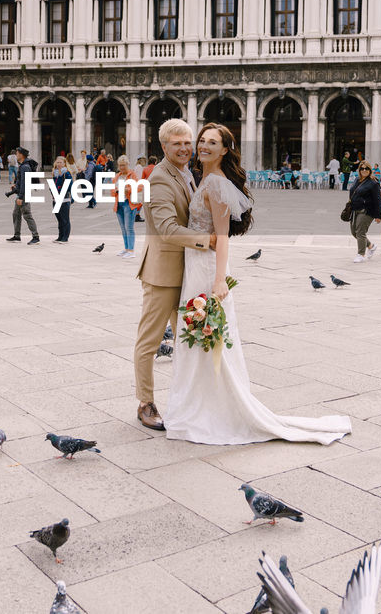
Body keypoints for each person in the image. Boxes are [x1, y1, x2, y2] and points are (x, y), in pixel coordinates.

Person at [162, 122, 351, 446]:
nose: (203, 146)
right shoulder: (205, 179)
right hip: (195, 267)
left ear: (224, 150)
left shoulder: (217, 185)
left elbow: (222, 238)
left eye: (212, 142)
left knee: (206, 338)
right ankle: (197, 406)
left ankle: (209, 410)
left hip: (207, 270)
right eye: (202, 140)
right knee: (197, 339)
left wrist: (219, 280)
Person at [134, 118, 215, 430]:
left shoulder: (186, 173)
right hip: (162, 272)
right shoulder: (159, 179)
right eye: (177, 143)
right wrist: (205, 240)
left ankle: (189, 400)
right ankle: (145, 402)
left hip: (187, 271)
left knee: (188, 340)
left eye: (187, 143)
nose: (184, 148)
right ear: (164, 146)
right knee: (150, 342)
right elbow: (167, 229)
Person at [347, 161, 381, 263]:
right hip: (355, 209)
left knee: (361, 232)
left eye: (366, 168)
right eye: (362, 168)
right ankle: (371, 246)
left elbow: (377, 199)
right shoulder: (357, 180)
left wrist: (378, 215)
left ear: (370, 170)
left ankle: (361, 254)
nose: (364, 170)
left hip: (366, 210)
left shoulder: (373, 183)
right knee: (354, 232)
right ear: (359, 170)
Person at [5, 147, 40, 244]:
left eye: (17, 153)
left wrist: (20, 197)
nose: (16, 155)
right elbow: (22, 181)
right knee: (16, 214)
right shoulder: (24, 165)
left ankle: (35, 237)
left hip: (24, 194)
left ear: (21, 155)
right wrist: (16, 185)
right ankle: (17, 236)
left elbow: (26, 182)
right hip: (21, 192)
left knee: (27, 215)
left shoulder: (25, 167)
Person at [112, 155, 141, 257]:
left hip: (129, 204)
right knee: (123, 228)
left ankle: (131, 250)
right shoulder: (117, 176)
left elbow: (139, 187)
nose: (122, 167)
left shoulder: (132, 175)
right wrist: (115, 190)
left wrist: (127, 189)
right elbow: (112, 191)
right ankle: (126, 248)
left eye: (124, 165)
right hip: (119, 203)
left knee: (129, 227)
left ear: (128, 164)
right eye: (120, 165)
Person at [51, 155, 73, 243]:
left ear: (64, 164)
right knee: (59, 219)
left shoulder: (66, 173)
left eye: (60, 162)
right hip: (55, 199)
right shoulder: (55, 173)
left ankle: (65, 237)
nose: (59, 164)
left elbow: (70, 186)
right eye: (57, 162)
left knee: (65, 219)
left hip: (64, 199)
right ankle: (60, 236)